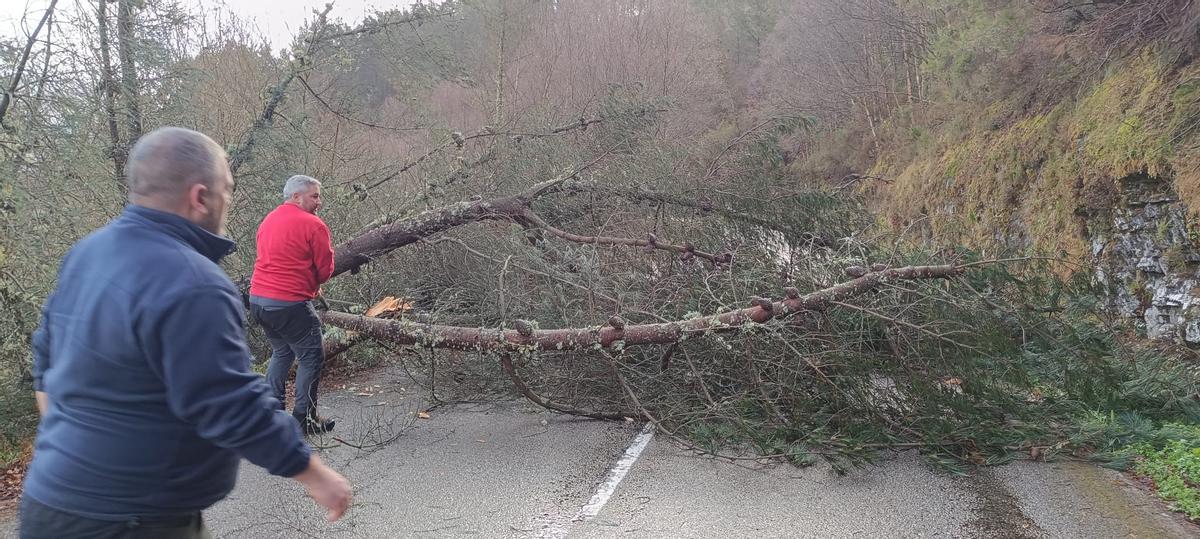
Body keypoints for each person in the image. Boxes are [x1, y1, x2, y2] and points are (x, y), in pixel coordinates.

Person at [19, 127, 352, 538]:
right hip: (135, 521)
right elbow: (228, 402)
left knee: (283, 353)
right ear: (200, 197)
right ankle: (305, 413)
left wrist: (78, 452)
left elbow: (44, 364)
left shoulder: (87, 253)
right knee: (303, 352)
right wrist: (316, 475)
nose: (226, 203)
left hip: (47, 504)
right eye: (226, 191)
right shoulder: (194, 282)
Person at [249, 175, 337, 434]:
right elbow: (324, 271)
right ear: (296, 196)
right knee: (311, 357)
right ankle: (303, 419)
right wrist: (312, 278)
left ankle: (272, 414)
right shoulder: (313, 225)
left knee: (282, 352)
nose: (319, 202)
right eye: (315, 196)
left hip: (259, 302)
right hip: (289, 305)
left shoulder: (269, 219)